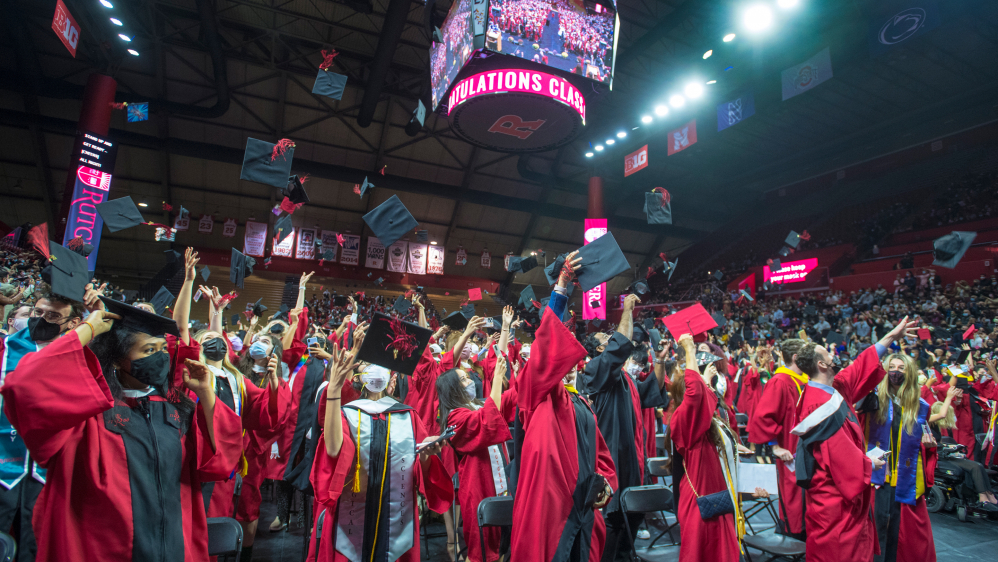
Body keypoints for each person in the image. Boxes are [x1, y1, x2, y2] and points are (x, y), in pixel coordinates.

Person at [0, 290, 243, 562]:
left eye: (162, 349)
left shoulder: (175, 413)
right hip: (103, 551)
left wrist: (207, 394)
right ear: (117, 359)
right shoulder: (85, 417)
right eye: (149, 350)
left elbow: (222, 461)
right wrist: (86, 330)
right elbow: (22, 385)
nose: (160, 358)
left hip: (175, 549)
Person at [509, 253, 616, 562]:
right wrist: (562, 289)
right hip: (550, 511)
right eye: (561, 356)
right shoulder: (538, 394)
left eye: (572, 360)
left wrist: (606, 483)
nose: (567, 365)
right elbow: (545, 349)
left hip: (583, 511)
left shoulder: (583, 403)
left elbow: (602, 457)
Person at [307, 345, 454, 562]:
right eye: (369, 365)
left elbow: (418, 470)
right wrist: (334, 390)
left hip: (398, 518)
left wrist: (426, 455)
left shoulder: (408, 416)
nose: (376, 369)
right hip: (350, 520)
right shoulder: (347, 413)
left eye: (382, 367)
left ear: (391, 378)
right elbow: (333, 449)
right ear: (360, 376)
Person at [791, 316, 916, 562]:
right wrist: (869, 464)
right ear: (822, 365)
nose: (832, 354)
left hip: (842, 496)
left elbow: (859, 367)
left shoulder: (833, 388)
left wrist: (891, 337)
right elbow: (839, 455)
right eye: (827, 354)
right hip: (834, 501)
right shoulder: (817, 404)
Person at [0, 287, 88, 561]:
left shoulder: (81, 357)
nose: (41, 319)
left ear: (72, 323)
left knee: (34, 542)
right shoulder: (5, 349)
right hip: (3, 461)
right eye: (37, 312)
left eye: (52, 316)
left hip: (47, 468)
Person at [581, 291, 669, 562]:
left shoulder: (624, 379)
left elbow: (650, 392)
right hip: (612, 462)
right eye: (606, 340)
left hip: (633, 462)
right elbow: (620, 345)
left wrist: (662, 362)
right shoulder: (595, 371)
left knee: (631, 521)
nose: (612, 340)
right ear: (599, 350)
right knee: (612, 524)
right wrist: (627, 310)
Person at [437, 348, 513, 562]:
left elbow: (505, 401)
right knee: (482, 551)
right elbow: (489, 420)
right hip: (478, 486)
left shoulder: (477, 405)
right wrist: (496, 378)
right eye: (463, 379)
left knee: (502, 547)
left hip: (499, 483)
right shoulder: (455, 417)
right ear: (453, 389)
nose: (469, 380)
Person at [864, 353, 937, 562]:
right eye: (892, 367)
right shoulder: (873, 399)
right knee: (876, 526)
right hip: (876, 475)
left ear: (910, 372)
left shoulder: (921, 406)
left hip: (904, 477)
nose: (896, 372)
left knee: (899, 529)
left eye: (902, 368)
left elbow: (920, 441)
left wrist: (929, 445)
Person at [746, 338, 808, 539]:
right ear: (797, 358)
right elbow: (763, 416)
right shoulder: (780, 381)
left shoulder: (805, 380)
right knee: (794, 500)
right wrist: (774, 446)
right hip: (791, 450)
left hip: (808, 451)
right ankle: (791, 540)